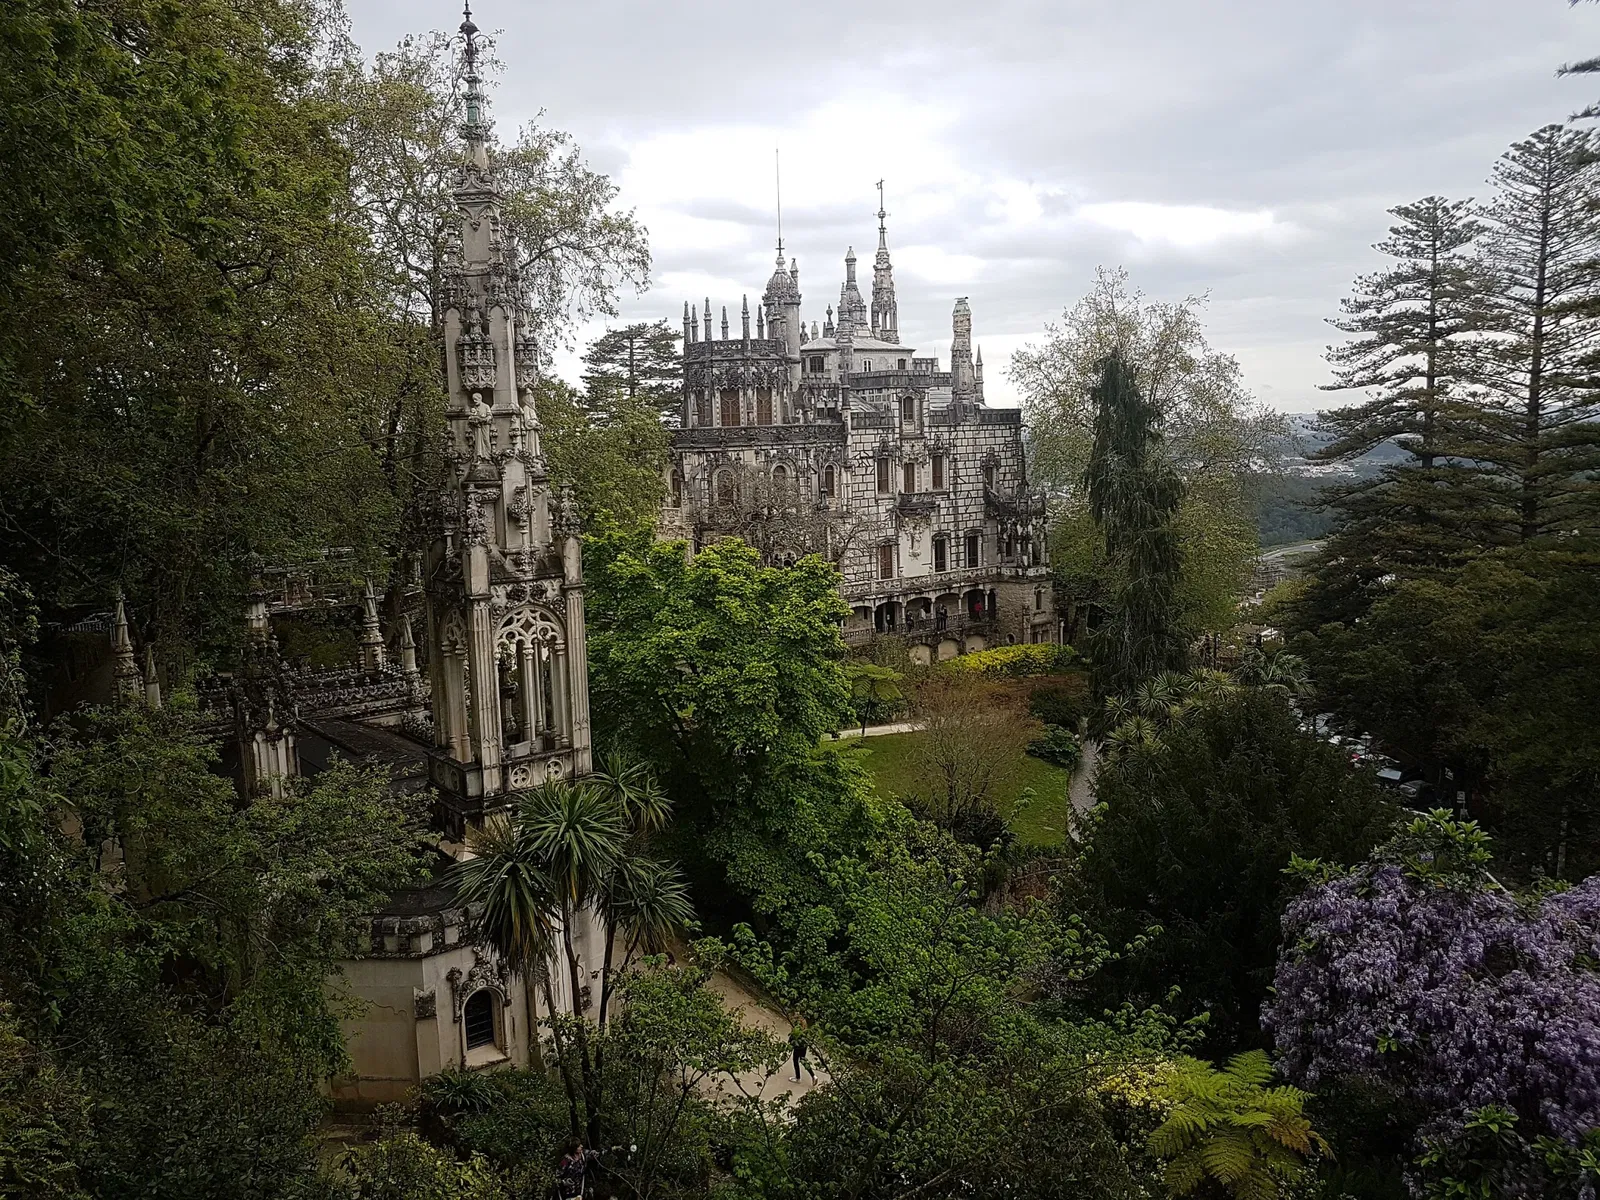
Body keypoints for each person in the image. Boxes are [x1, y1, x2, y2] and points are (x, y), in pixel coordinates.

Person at [788, 1017, 816, 1084]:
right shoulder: (805, 1031)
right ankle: (813, 1076)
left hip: (797, 1047)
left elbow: (791, 1039)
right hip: (804, 1047)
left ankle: (798, 1078)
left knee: (795, 1061)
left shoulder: (796, 1030)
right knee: (803, 1060)